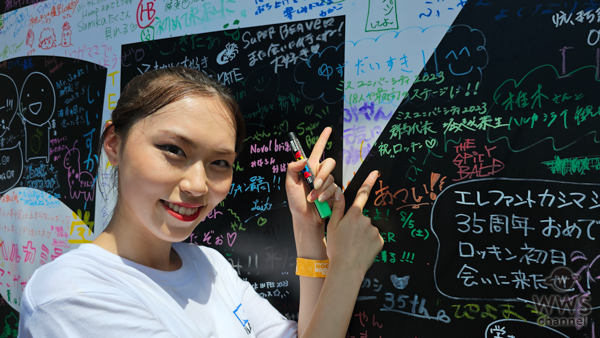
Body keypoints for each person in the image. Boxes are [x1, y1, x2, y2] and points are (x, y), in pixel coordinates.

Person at [18, 66, 383, 338]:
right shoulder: (72, 293)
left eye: (219, 163)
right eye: (173, 150)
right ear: (114, 144)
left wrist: (307, 229)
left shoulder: (209, 266)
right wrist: (347, 268)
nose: (197, 185)